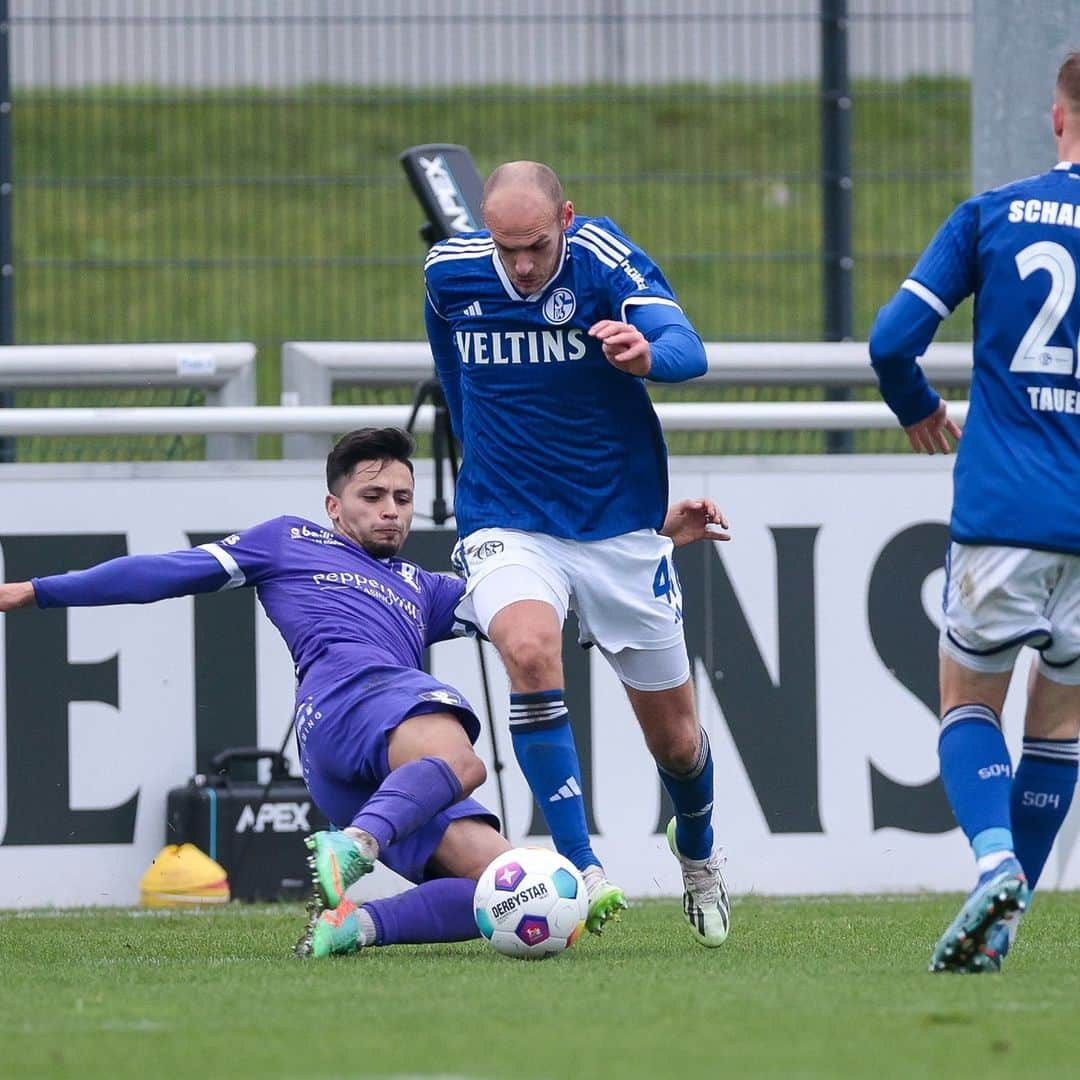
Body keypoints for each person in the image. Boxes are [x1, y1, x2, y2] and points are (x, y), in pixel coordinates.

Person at [0, 426, 729, 958]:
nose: (391, 510)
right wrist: (36, 591)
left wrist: (657, 533)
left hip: (374, 770)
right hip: (350, 703)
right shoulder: (285, 541)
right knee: (465, 755)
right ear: (333, 505)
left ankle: (352, 925)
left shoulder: (427, 587)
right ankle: (352, 847)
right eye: (372, 495)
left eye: (403, 498)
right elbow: (162, 572)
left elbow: (548, 588)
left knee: (521, 886)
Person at [422, 160, 731, 946]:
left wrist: (644, 353)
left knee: (679, 744)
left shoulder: (600, 258)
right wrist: (482, 470)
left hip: (620, 532)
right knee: (527, 650)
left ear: (566, 214)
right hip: (506, 520)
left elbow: (687, 347)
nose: (522, 266)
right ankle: (582, 869)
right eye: (507, 248)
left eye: (535, 245)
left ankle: (695, 850)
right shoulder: (450, 274)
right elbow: (454, 378)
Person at [869, 53, 1080, 974]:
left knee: (969, 701)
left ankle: (994, 863)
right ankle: (1005, 928)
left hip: (1005, 509)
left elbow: (890, 341)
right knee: (1062, 725)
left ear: (1057, 115)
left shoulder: (993, 213)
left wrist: (917, 404)